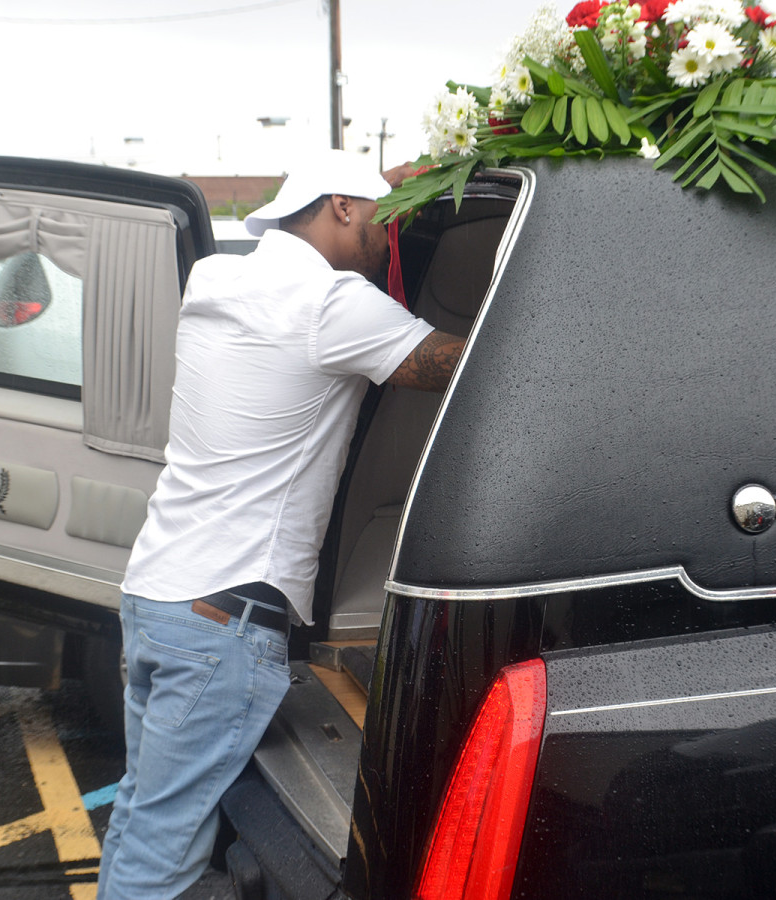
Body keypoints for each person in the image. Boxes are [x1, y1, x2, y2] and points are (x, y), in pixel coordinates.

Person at [97, 151, 466, 899]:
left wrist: (391, 181)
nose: (386, 237)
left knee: (144, 818)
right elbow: (463, 369)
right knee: (161, 860)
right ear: (339, 205)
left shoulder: (219, 278)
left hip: (158, 596)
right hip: (221, 619)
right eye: (380, 220)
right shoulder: (329, 304)